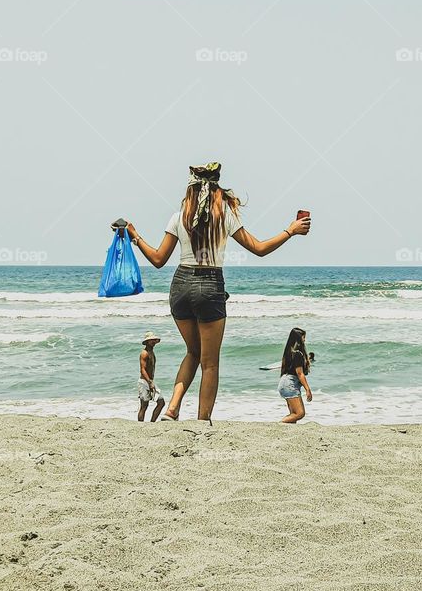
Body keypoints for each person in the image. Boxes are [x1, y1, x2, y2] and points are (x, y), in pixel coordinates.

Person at [126, 161, 310, 422]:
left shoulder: (179, 216)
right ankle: (202, 421)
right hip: (210, 285)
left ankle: (172, 409)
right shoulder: (224, 215)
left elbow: (158, 259)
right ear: (216, 187)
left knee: (193, 352)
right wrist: (290, 231)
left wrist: (135, 236)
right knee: (210, 363)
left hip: (180, 286)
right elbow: (258, 248)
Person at [278, 327, 312, 423]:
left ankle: (285, 428)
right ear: (298, 339)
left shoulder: (289, 352)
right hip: (289, 384)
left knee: (294, 414)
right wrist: (307, 389)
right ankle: (279, 425)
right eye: (303, 337)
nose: (304, 340)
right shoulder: (297, 354)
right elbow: (300, 374)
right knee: (299, 413)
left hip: (286, 383)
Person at [137, 331, 165, 422]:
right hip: (144, 381)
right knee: (144, 405)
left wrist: (151, 381)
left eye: (154, 340)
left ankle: (152, 422)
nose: (153, 342)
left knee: (161, 402)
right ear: (147, 342)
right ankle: (140, 425)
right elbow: (142, 370)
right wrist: (150, 382)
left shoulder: (151, 352)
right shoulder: (144, 353)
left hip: (150, 381)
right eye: (151, 340)